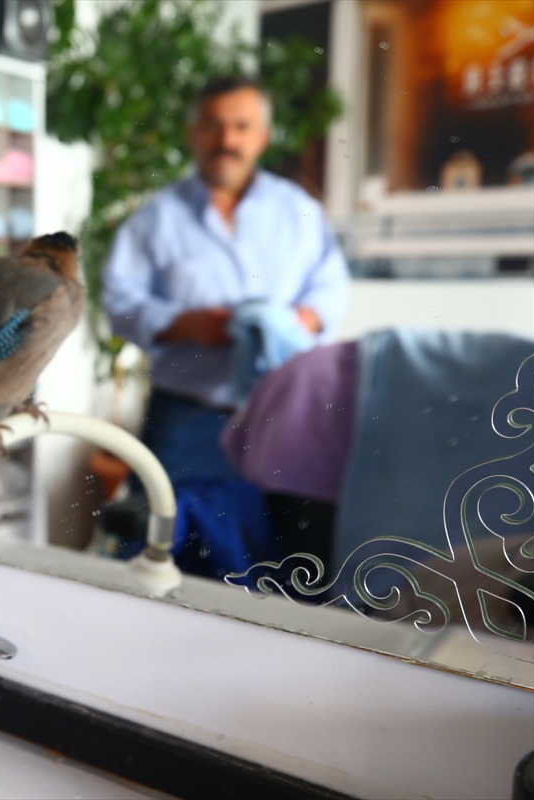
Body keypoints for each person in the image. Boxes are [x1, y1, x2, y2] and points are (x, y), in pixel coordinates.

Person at [102, 75, 350, 578]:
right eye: (214, 126)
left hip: (287, 418)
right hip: (186, 419)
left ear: (261, 136)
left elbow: (333, 288)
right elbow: (117, 305)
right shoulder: (154, 218)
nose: (227, 140)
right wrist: (182, 323)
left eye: (241, 126)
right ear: (194, 133)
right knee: (158, 555)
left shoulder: (299, 212)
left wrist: (298, 319)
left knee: (284, 558)